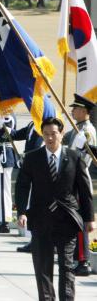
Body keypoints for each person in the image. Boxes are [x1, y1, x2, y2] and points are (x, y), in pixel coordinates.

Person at [15, 117, 94, 301]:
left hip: (67, 221)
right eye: (46, 134)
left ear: (61, 134)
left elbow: (84, 190)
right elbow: (22, 186)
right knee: (43, 268)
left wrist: (89, 218)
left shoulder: (74, 157)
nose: (50, 138)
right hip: (41, 220)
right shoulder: (33, 158)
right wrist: (22, 212)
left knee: (67, 267)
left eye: (54, 134)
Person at [63, 94, 97, 276]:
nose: (72, 112)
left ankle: (83, 261)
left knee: (81, 221)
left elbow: (72, 156)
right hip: (77, 178)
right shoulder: (81, 130)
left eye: (75, 109)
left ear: (84, 111)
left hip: (79, 179)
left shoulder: (85, 132)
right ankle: (78, 257)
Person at [10, 120, 44, 253]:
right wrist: (5, 129)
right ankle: (33, 240)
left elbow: (38, 145)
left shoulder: (44, 122)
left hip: (37, 166)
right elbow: (18, 134)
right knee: (30, 203)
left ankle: (36, 241)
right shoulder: (32, 123)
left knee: (35, 204)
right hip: (30, 165)